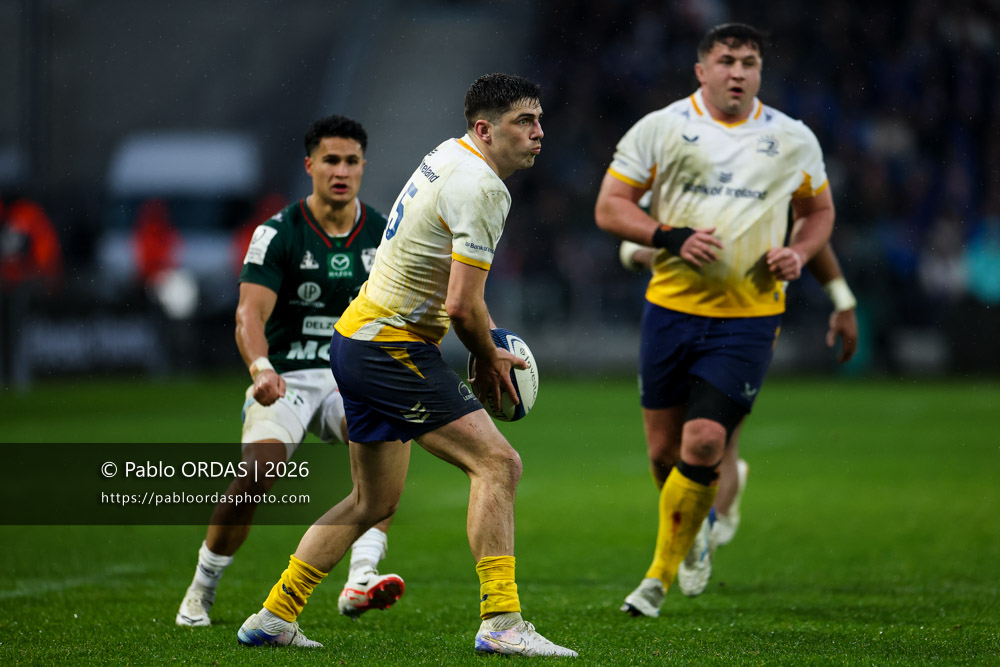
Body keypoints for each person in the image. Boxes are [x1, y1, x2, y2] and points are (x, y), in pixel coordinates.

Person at [235, 73, 577, 658]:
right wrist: (487, 353)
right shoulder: (485, 189)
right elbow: (460, 304)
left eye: (540, 119)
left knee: (373, 502)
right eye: (526, 121)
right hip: (390, 348)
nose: (539, 132)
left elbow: (460, 293)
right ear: (484, 129)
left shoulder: (449, 155)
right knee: (498, 464)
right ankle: (501, 621)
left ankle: (274, 615)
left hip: (356, 338)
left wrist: (488, 339)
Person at [594, 22, 836, 618]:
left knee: (703, 440)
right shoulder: (661, 128)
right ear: (702, 71)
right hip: (671, 309)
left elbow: (818, 211)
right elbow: (609, 207)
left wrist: (799, 253)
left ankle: (657, 576)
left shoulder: (792, 138)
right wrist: (667, 235)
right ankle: (696, 527)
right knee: (662, 452)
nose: (738, 72)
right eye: (726, 60)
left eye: (750, 62)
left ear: (760, 72)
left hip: (749, 316)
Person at [176, 115, 404, 628]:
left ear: (363, 167)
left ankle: (361, 578)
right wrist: (260, 368)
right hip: (287, 377)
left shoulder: (385, 233)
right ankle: (201, 590)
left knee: (386, 440)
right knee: (257, 473)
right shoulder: (278, 233)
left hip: (350, 375)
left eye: (350, 161)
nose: (340, 170)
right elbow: (248, 315)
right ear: (310, 166)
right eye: (330, 160)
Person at [619, 239, 859, 594]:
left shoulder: (778, 185)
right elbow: (628, 242)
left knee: (715, 437)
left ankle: (701, 527)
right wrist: (658, 254)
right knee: (665, 451)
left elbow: (814, 227)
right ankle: (704, 520)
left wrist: (840, 297)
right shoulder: (679, 186)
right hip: (676, 315)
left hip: (747, 320)